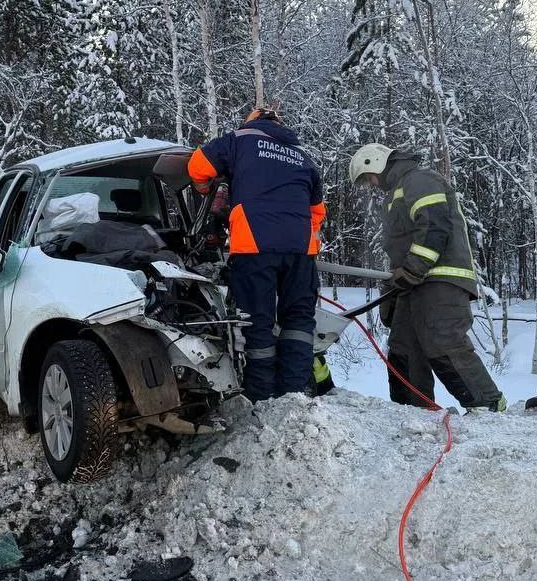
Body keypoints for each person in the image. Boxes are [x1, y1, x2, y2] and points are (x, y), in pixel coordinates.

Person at [188, 108, 333, 402]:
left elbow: (197, 165)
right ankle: (293, 397)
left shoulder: (240, 139)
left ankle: (261, 398)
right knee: (299, 321)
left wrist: (205, 188)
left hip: (255, 247)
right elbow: (318, 212)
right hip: (301, 252)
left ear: (251, 123)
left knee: (258, 322)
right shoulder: (301, 155)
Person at [348, 143, 506, 412]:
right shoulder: (394, 196)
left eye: (369, 178)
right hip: (414, 285)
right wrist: (392, 290)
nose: (372, 185)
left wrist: (412, 269)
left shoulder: (419, 180)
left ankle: (488, 405)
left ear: (375, 163)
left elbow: (433, 225)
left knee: (442, 340)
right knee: (403, 347)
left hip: (440, 279)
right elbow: (400, 249)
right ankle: (413, 411)